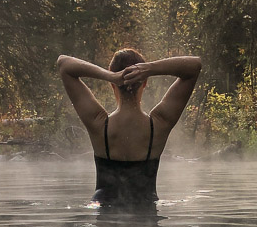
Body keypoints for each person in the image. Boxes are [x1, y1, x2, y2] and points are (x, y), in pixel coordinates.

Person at [57, 49, 202, 205]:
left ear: (113, 85)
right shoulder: (159, 124)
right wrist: (149, 69)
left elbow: (64, 64)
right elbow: (195, 65)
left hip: (105, 215)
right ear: (145, 82)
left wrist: (110, 76)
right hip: (146, 211)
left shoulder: (98, 124)